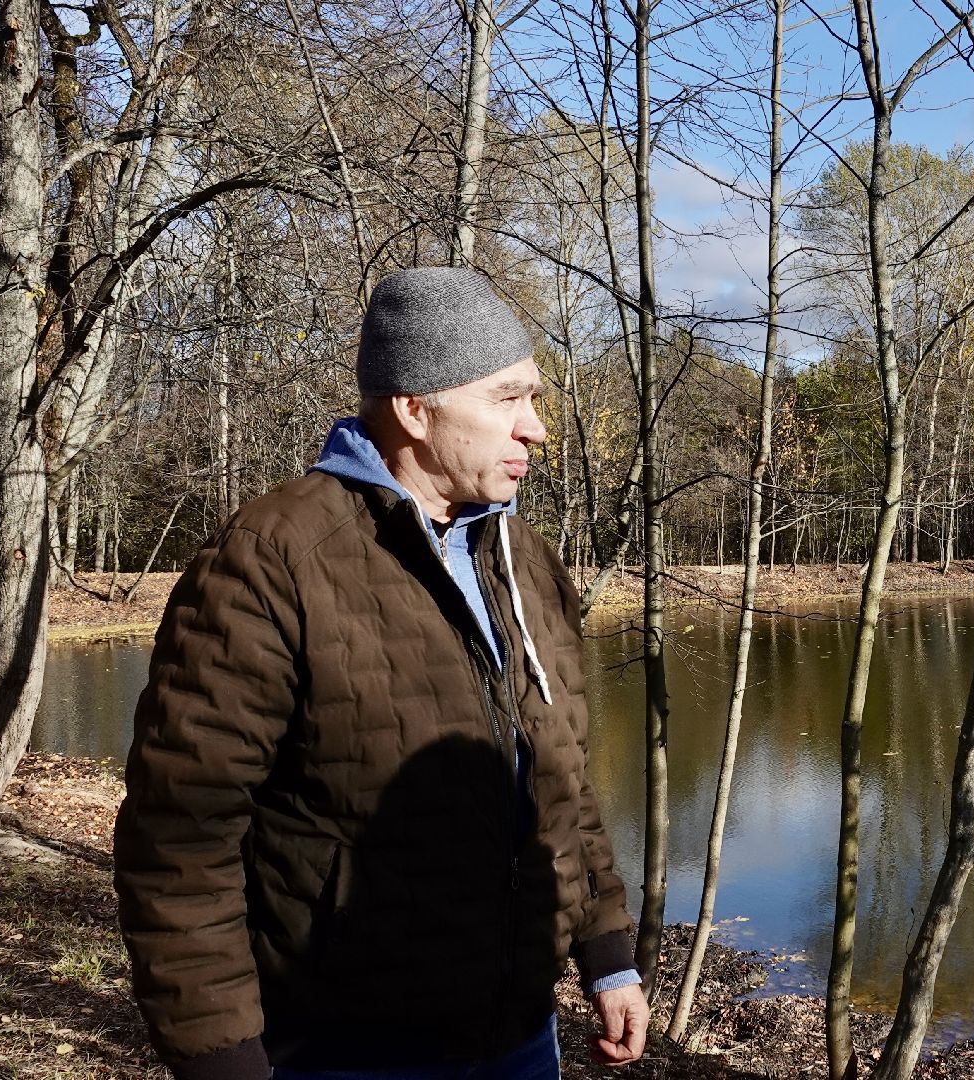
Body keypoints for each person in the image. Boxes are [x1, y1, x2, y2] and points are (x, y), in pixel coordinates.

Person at [113, 267, 647, 1080]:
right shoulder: (272, 558)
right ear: (414, 407)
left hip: (520, 1038)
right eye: (508, 398)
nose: (535, 428)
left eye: (533, 399)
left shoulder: (526, 562)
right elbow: (180, 837)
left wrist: (608, 956)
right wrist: (220, 1060)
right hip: (341, 1047)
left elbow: (560, 779)